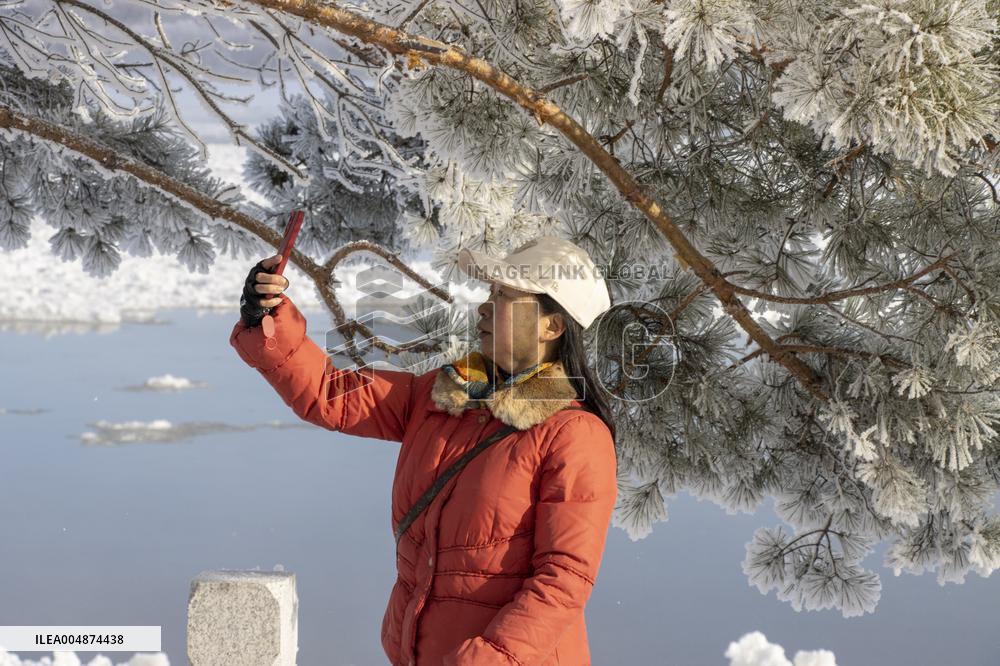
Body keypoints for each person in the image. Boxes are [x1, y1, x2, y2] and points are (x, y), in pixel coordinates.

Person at [231, 236, 617, 665]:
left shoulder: (574, 435)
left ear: (552, 326)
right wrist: (266, 319)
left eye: (505, 296)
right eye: (490, 292)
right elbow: (331, 393)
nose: (484, 307)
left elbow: (563, 580)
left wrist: (484, 659)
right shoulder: (443, 395)